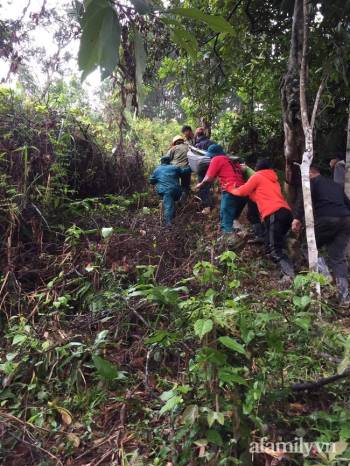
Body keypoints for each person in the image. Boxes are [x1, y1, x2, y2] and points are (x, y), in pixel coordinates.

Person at [292, 166, 350, 306]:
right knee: (338, 258)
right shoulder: (335, 185)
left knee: (308, 246)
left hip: (326, 218)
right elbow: (348, 203)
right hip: (346, 219)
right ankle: (344, 297)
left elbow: (302, 200)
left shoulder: (311, 182)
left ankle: (324, 277)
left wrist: (297, 218)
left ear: (311, 173)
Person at [227, 159, 294, 277]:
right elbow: (256, 196)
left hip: (274, 213)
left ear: (257, 169)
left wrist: (231, 189)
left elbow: (243, 191)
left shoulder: (257, 176)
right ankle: (285, 271)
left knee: (275, 249)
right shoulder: (274, 180)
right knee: (272, 244)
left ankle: (290, 276)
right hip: (286, 213)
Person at [195, 144, 246, 241]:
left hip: (231, 190)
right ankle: (238, 234)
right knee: (233, 217)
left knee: (225, 215)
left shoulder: (217, 159)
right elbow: (241, 171)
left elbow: (209, 178)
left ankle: (230, 242)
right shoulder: (232, 161)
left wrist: (200, 185)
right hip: (243, 192)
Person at [149, 156, 191, 226]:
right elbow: (184, 172)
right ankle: (181, 201)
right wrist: (191, 167)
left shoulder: (157, 170)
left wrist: (157, 179)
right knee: (181, 193)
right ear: (169, 161)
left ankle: (168, 223)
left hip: (165, 191)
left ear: (161, 162)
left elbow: (151, 181)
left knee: (168, 205)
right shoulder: (174, 167)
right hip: (177, 191)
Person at [166, 135, 191, 200]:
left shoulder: (173, 148)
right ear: (182, 141)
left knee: (175, 185)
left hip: (175, 169)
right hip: (186, 169)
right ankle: (183, 201)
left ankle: (176, 200)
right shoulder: (188, 147)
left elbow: (166, 159)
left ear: (174, 143)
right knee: (185, 186)